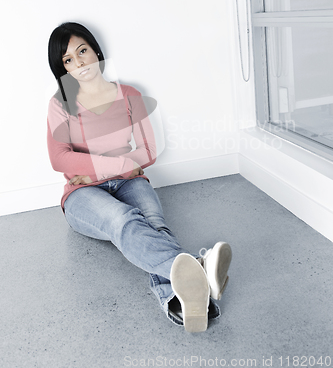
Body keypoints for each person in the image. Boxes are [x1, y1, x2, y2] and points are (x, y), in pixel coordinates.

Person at [47, 22, 232, 332]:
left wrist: (94, 166)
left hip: (130, 181)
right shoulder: (59, 104)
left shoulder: (130, 95)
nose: (79, 63)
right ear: (62, 68)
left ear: (96, 51)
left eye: (82, 51)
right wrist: (122, 163)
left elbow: (149, 150)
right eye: (68, 59)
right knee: (122, 219)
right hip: (80, 195)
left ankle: (185, 295)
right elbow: (59, 158)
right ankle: (200, 272)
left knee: (156, 226)